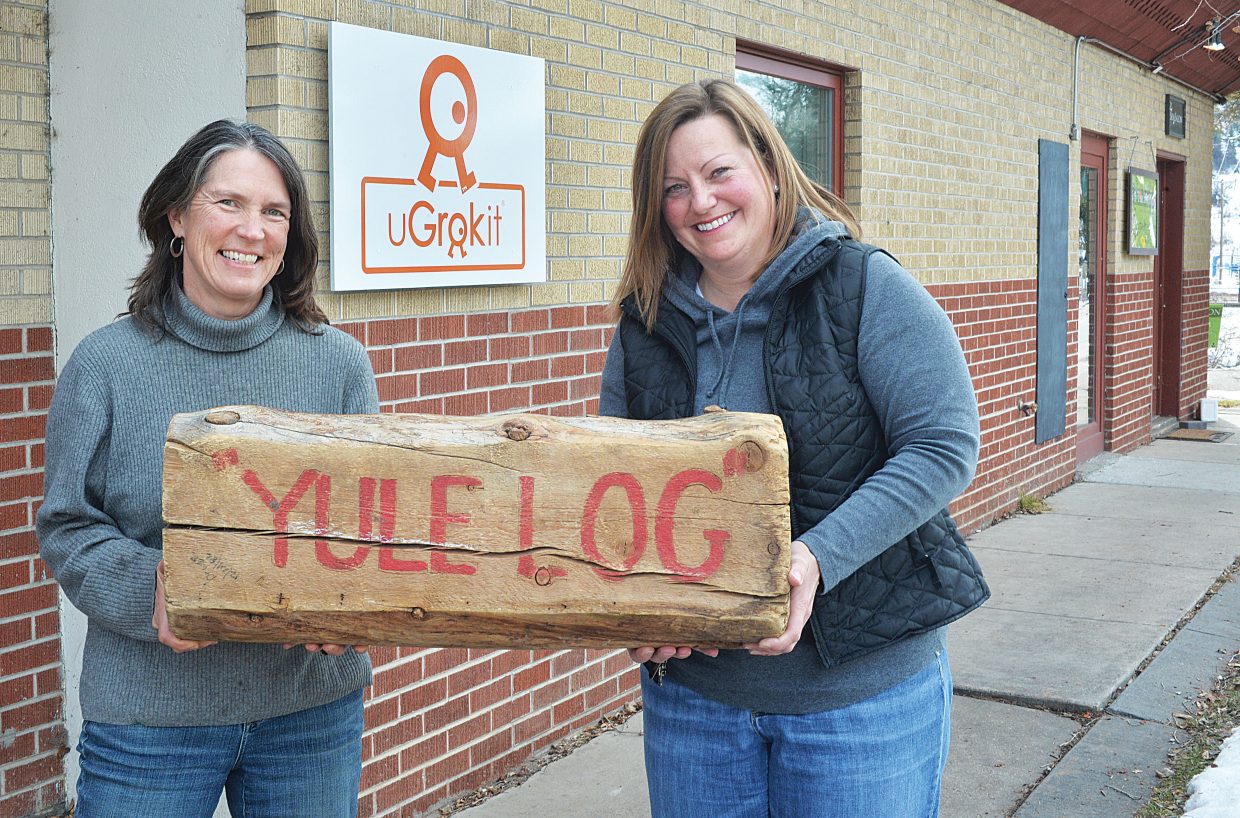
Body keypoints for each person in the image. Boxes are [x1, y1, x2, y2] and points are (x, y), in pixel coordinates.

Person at [600, 78, 990, 817]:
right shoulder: (643, 325)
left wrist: (813, 559)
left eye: (719, 172)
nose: (701, 201)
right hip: (696, 708)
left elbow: (943, 446)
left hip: (860, 703)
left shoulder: (862, 286)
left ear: (771, 169)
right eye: (675, 188)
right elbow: (619, 492)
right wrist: (636, 611)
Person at [37, 120, 379, 817]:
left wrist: (361, 603)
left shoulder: (339, 364)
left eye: (274, 211)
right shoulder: (105, 365)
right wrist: (153, 590)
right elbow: (68, 528)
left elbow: (369, 527)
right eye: (228, 202)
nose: (251, 229)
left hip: (310, 715)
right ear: (176, 216)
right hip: (149, 722)